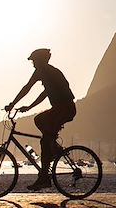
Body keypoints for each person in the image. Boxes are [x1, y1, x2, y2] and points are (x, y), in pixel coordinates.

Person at [5, 48, 76, 191]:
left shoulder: (51, 72)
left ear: (41, 61)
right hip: (59, 109)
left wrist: (15, 104)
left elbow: (29, 89)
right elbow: (35, 90)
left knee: (44, 139)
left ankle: (44, 177)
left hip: (65, 108)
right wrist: (27, 106)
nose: (33, 64)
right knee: (41, 125)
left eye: (34, 61)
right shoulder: (43, 72)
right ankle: (53, 148)